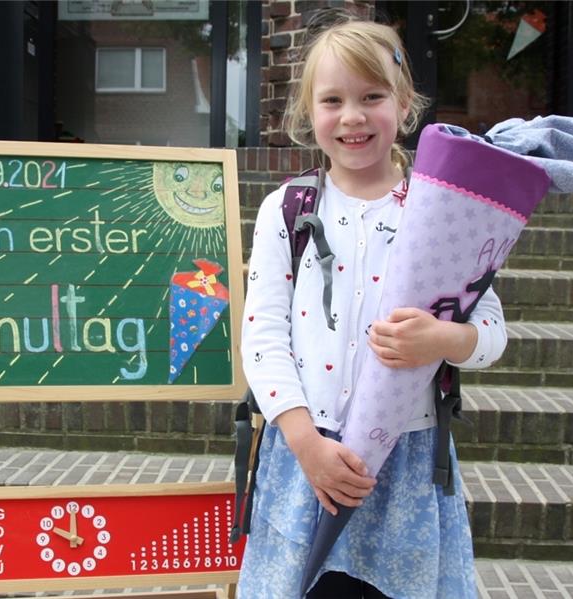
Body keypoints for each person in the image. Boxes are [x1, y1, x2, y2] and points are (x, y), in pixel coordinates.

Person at [238, 14, 507, 599]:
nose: (353, 116)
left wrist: (443, 339)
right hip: (306, 455)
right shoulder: (286, 209)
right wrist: (305, 443)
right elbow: (262, 339)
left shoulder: (441, 213)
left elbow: (490, 330)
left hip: (406, 461)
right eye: (333, 99)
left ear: (404, 102)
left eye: (372, 96)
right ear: (309, 113)